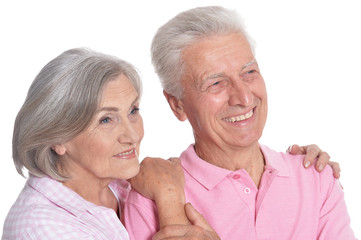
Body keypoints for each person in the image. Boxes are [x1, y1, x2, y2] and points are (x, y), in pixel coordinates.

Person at [124, 6, 356, 239]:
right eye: (216, 83)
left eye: (249, 73)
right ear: (177, 105)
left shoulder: (316, 178)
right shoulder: (151, 199)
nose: (244, 98)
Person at [1, 48, 218, 240]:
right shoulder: (42, 230)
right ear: (57, 137)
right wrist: (169, 195)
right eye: (106, 120)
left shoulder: (120, 184)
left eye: (133, 111)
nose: (133, 135)